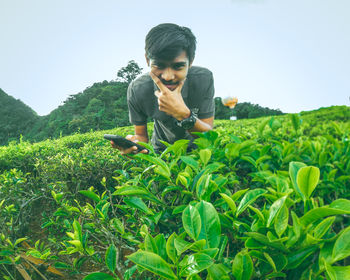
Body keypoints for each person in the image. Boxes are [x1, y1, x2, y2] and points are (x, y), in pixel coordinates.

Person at [113, 23, 215, 154]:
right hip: (161, 152)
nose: (167, 77)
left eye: (178, 66)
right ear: (147, 60)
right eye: (159, 65)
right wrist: (134, 145)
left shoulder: (203, 79)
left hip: (198, 152)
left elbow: (209, 138)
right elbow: (141, 135)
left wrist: (184, 116)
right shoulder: (138, 89)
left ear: (191, 62)